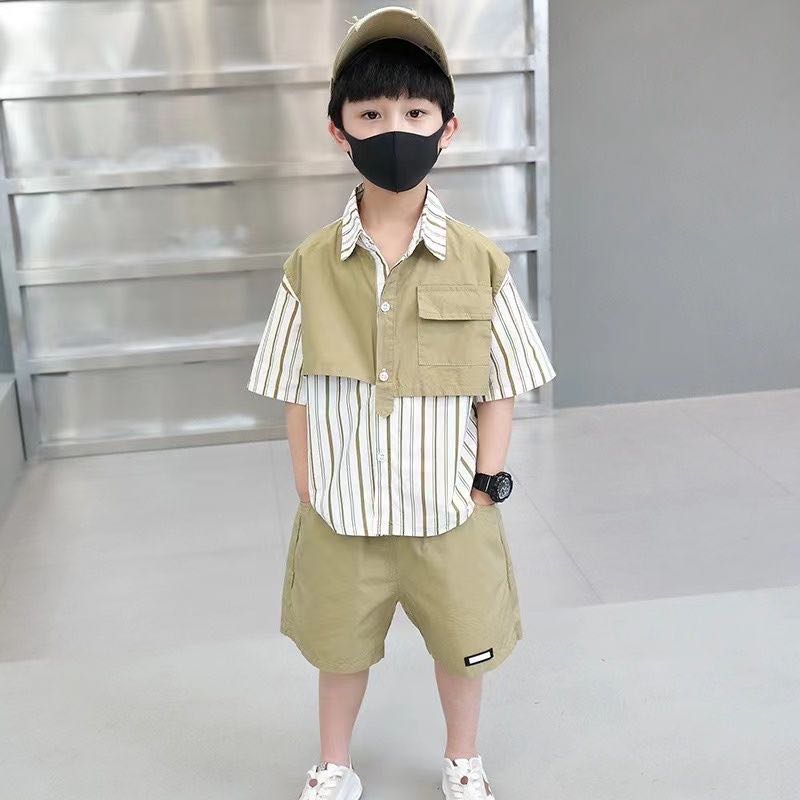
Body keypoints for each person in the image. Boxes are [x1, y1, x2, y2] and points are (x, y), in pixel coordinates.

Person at [246, 7, 556, 799]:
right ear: (339, 131)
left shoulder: (478, 261)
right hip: (342, 514)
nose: (395, 130)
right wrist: (309, 487)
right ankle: (334, 765)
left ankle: (463, 761)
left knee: (464, 646)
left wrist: (484, 487)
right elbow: (292, 390)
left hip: (448, 513)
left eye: (416, 114)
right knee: (337, 650)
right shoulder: (309, 266)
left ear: (448, 129)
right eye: (372, 115)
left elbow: (501, 385)